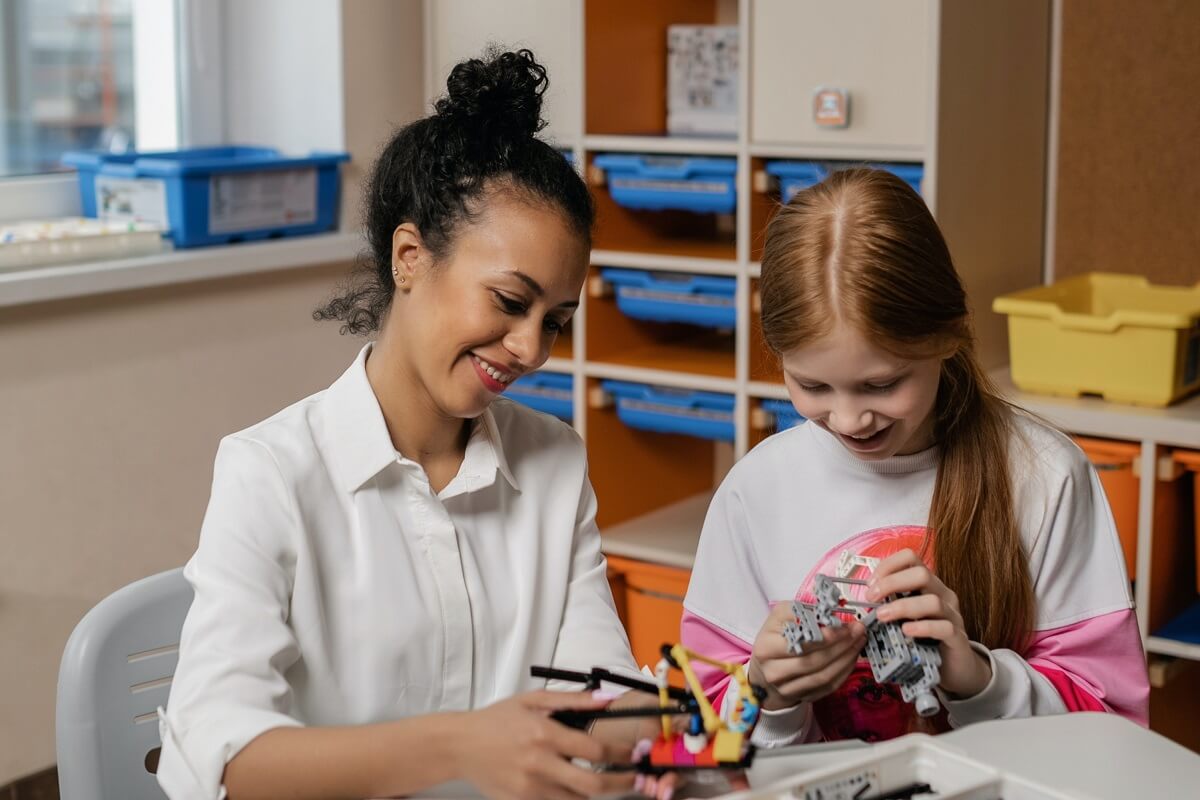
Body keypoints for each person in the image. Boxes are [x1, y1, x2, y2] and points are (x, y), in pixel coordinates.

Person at [156, 49, 646, 800]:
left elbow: (600, 699)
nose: (530, 349)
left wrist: (715, 703)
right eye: (510, 302)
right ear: (410, 257)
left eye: (557, 322)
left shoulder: (553, 461)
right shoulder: (271, 473)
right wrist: (463, 746)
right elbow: (227, 760)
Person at [680, 167, 1150, 747]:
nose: (850, 421)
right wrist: (766, 696)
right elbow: (698, 731)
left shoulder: (1046, 475)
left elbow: (1115, 734)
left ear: (947, 337)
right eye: (813, 387)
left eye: (882, 385)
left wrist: (978, 678)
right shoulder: (756, 490)